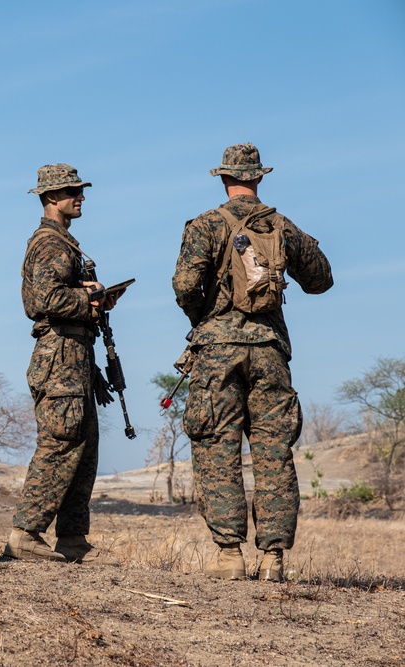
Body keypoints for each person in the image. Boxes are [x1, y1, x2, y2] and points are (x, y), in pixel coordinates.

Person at [172, 143, 332, 581]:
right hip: (270, 350)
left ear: (223, 178)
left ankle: (229, 556)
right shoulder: (281, 225)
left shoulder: (205, 224)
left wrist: (203, 318)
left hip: (217, 351)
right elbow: (321, 280)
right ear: (260, 177)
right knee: (273, 452)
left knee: (216, 447)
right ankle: (274, 558)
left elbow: (185, 284)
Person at [3, 164, 120, 565]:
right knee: (60, 441)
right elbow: (43, 301)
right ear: (51, 197)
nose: (80, 196)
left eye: (80, 189)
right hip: (61, 355)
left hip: (77, 354)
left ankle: (72, 539)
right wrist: (88, 299)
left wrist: (96, 299)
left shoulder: (65, 242)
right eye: (71, 191)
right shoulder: (50, 244)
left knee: (83, 446)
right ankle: (25, 534)